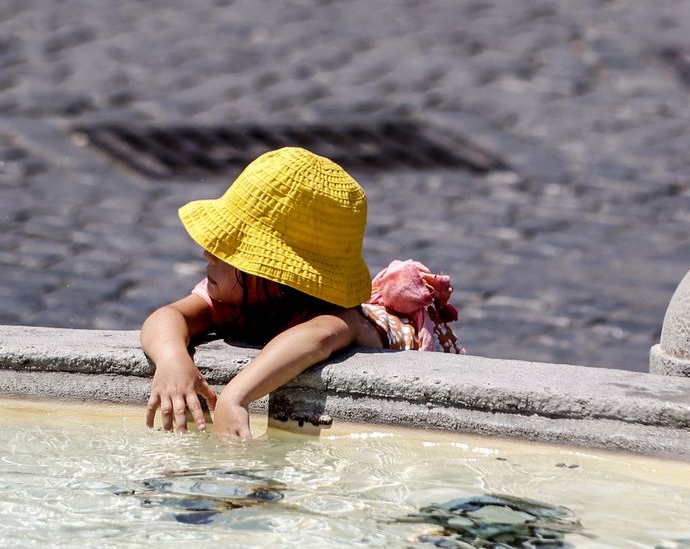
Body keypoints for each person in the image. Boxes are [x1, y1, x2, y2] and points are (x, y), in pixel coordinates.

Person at [140, 146, 462, 439]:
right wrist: (172, 359)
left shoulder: (340, 319)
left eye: (230, 250)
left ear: (274, 274)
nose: (208, 254)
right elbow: (169, 315)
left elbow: (316, 337)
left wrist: (235, 396)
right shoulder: (232, 294)